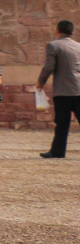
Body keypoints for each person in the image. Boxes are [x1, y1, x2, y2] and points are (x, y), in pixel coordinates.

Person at [37, 18, 80, 158]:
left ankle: (58, 151)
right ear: (72, 32)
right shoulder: (78, 47)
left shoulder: (54, 46)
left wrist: (41, 82)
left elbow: (49, 66)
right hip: (78, 89)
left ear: (57, 30)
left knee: (62, 123)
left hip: (63, 91)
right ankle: (57, 151)